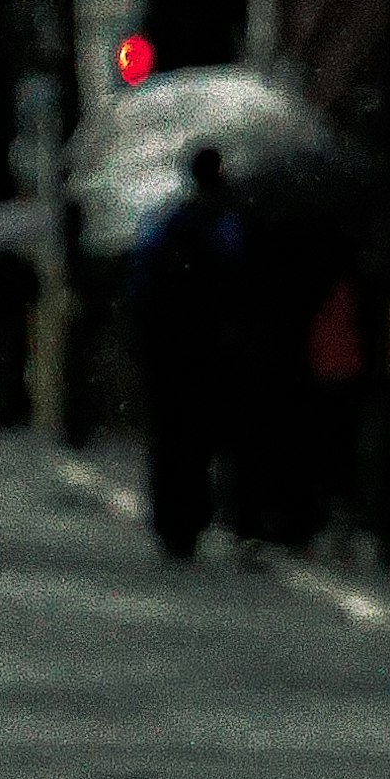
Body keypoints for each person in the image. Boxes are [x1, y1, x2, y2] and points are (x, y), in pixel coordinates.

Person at [127, 144, 253, 560]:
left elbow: (139, 285)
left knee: (169, 435)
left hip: (166, 348)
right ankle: (206, 513)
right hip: (211, 347)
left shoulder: (166, 223)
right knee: (207, 435)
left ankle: (171, 519)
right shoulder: (227, 225)